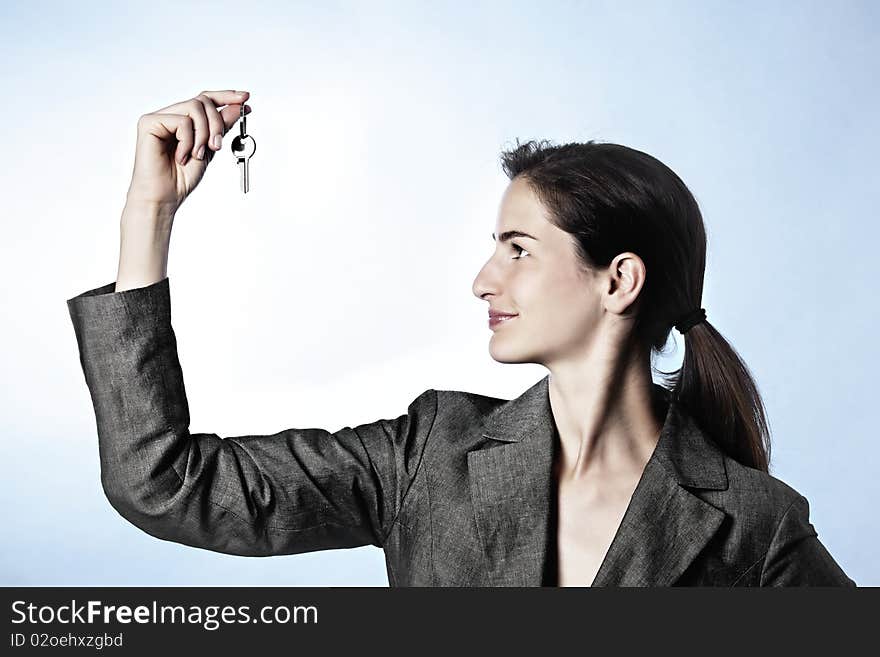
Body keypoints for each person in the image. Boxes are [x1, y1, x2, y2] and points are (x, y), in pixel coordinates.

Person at [67, 89, 856, 587]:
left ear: (618, 280)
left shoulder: (756, 526)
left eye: (518, 248)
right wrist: (150, 213)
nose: (485, 279)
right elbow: (162, 482)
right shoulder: (427, 455)